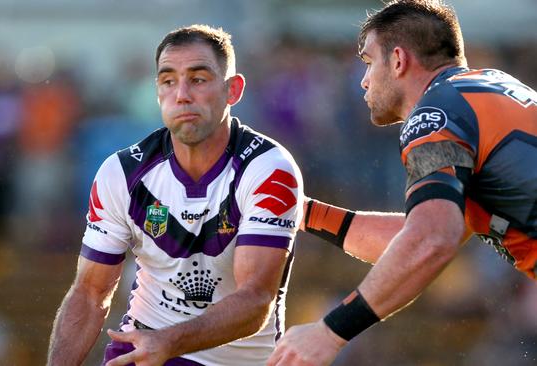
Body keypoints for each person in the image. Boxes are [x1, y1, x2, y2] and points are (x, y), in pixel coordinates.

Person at [268, 1, 537, 365]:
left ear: (397, 60)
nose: (362, 80)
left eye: (367, 61)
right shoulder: (487, 88)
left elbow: (430, 240)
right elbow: (413, 241)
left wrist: (331, 330)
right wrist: (304, 213)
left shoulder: (433, 114)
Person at [47, 24, 304, 366]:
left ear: (233, 90)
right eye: (168, 81)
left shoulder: (267, 169)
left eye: (198, 79)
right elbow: (91, 293)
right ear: (157, 91)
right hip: (145, 348)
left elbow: (256, 300)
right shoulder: (122, 172)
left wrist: (167, 343)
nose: (181, 94)